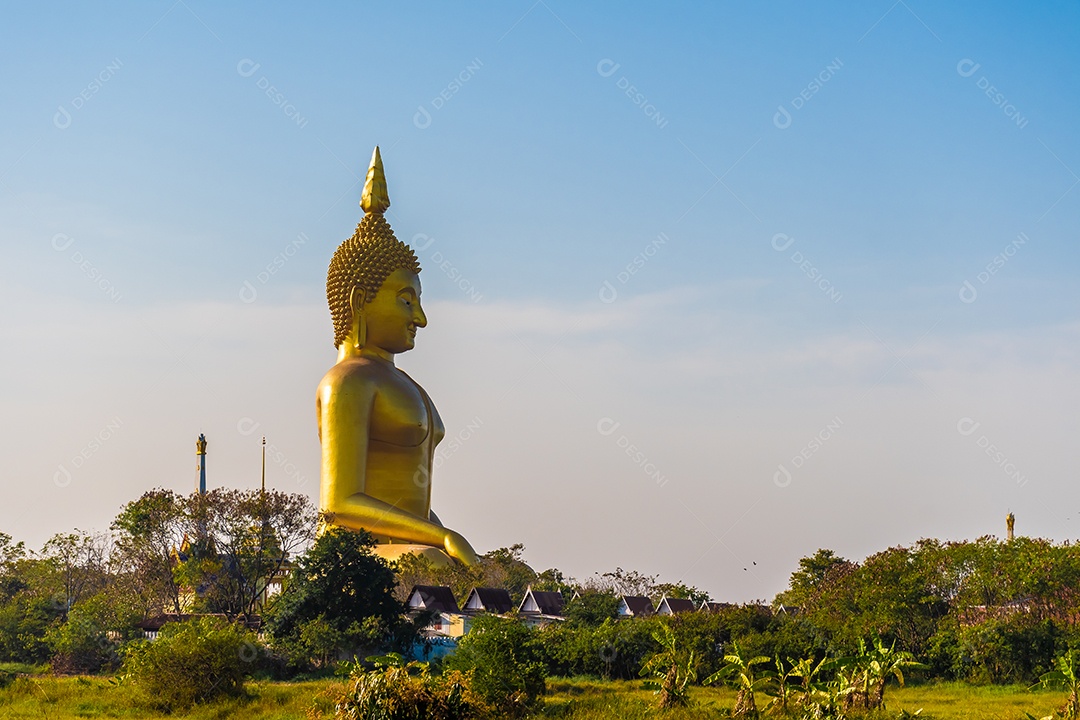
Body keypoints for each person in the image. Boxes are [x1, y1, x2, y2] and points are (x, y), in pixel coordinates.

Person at [317, 147, 478, 567]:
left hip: (411, 545)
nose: (421, 319)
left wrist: (441, 534)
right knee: (436, 561)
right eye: (407, 302)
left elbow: (411, 506)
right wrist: (441, 538)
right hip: (353, 558)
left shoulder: (408, 385)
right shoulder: (346, 383)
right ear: (358, 300)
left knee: (506, 571)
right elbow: (338, 503)